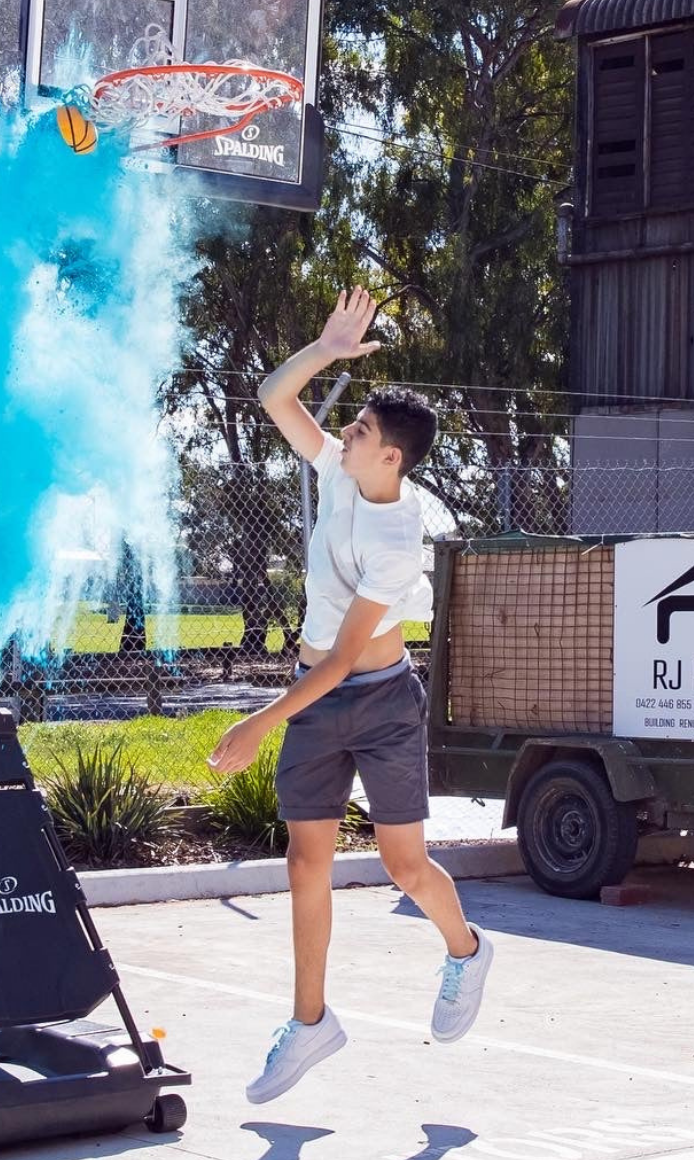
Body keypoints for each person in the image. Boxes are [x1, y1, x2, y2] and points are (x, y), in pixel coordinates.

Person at [208, 286, 493, 1103]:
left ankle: (466, 952)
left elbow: (338, 663)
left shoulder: (399, 541)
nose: (348, 434)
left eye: (362, 430)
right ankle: (309, 1024)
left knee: (404, 866)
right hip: (316, 693)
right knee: (306, 862)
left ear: (391, 458)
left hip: (375, 700)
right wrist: (326, 348)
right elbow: (272, 395)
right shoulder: (338, 467)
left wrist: (260, 722)